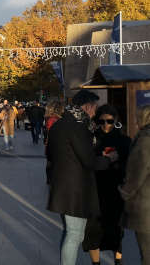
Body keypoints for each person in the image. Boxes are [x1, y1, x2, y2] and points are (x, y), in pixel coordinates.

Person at [47, 90, 118, 265]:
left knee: (70, 232)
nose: (95, 112)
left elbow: (49, 153)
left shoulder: (59, 124)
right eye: (94, 107)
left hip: (62, 186)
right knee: (75, 235)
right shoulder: (78, 127)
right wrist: (108, 159)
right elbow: (89, 161)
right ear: (87, 106)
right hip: (75, 191)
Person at [83, 104, 130, 265]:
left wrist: (116, 160)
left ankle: (118, 260)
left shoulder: (123, 140)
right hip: (94, 190)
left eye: (109, 121)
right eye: (102, 121)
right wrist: (98, 158)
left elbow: (130, 165)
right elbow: (84, 161)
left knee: (116, 229)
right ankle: (95, 263)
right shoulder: (91, 138)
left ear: (115, 120)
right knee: (92, 230)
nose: (105, 125)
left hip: (115, 190)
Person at [119, 105, 150, 265]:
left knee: (147, 255)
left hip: (146, 208)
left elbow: (137, 173)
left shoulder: (145, 140)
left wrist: (124, 192)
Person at [44, 99, 65, 184]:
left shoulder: (49, 118)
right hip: (56, 145)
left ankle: (50, 179)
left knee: (50, 163)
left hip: (51, 145)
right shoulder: (57, 119)